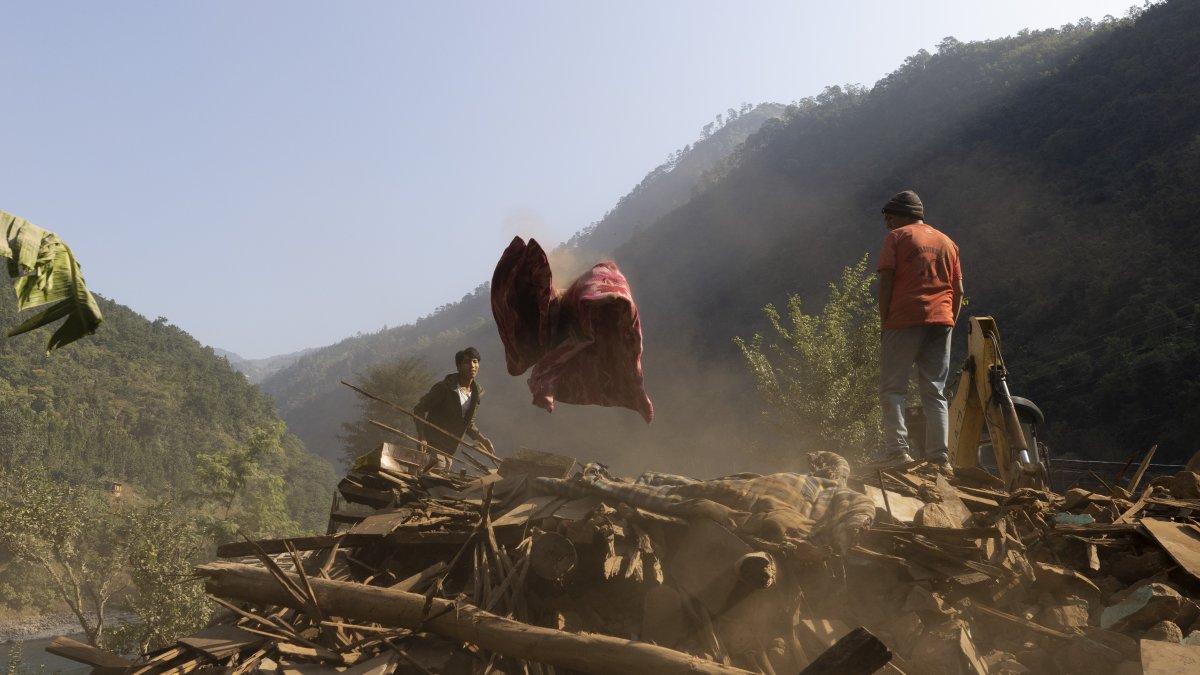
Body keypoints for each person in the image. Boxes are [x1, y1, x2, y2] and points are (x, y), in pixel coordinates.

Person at [875, 190, 963, 471]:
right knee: (935, 391)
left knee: (893, 389)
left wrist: (884, 321)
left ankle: (898, 452)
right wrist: (950, 321)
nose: (888, 223)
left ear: (904, 215)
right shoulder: (948, 242)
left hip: (904, 319)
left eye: (890, 217)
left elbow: (886, 282)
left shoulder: (897, 238)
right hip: (942, 321)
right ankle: (939, 458)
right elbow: (959, 290)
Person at [414, 347, 495, 468]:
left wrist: (483, 440)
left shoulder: (476, 394)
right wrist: (421, 436)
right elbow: (419, 409)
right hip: (432, 445)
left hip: (450, 450)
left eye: (475, 361)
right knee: (434, 474)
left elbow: (468, 423)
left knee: (441, 476)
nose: (472, 365)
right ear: (458, 366)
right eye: (467, 362)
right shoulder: (444, 388)